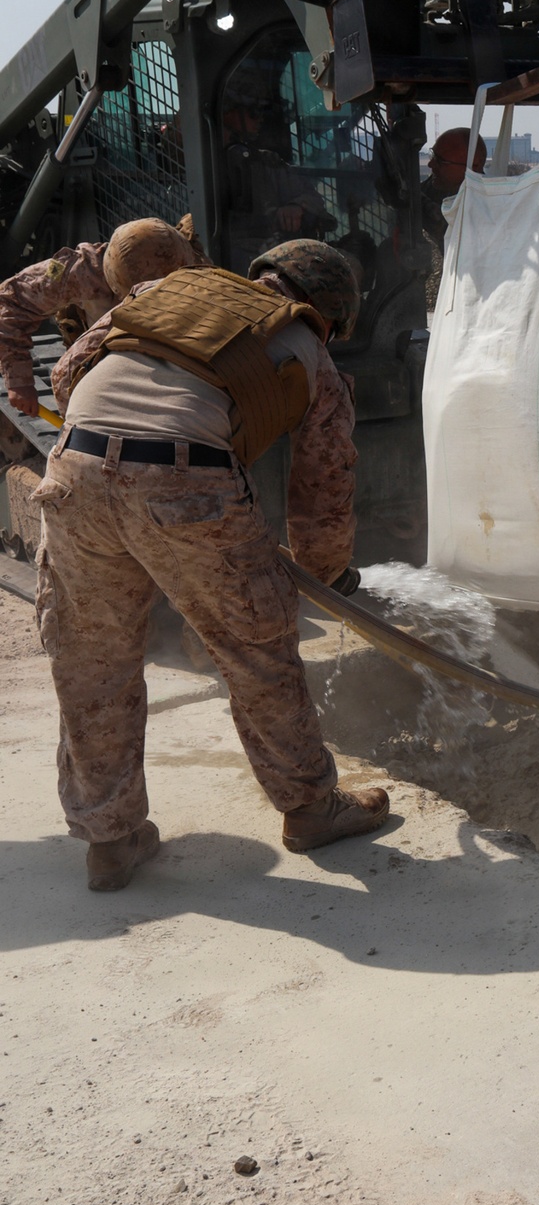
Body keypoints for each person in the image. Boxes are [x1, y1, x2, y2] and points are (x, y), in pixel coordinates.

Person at [33, 239, 388, 893]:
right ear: (329, 311)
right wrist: (324, 571)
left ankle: (110, 838)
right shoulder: (307, 346)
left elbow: (66, 376)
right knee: (256, 649)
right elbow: (325, 483)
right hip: (184, 482)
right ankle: (311, 808)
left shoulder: (163, 291)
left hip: (74, 471)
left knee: (92, 660)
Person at [0, 217, 202, 416]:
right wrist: (19, 382)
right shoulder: (84, 269)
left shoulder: (199, 275)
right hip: (112, 351)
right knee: (72, 375)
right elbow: (12, 301)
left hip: (177, 355)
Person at [222, 69, 328, 273]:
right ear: (228, 110)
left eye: (263, 112)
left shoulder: (265, 163)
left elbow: (314, 199)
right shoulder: (189, 160)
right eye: (254, 111)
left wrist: (296, 206)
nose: (260, 118)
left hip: (264, 259)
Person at [421, 127, 487, 252]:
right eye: (432, 156)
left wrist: (413, 200)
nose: (431, 165)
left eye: (441, 161)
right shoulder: (434, 186)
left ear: (474, 165)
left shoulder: (486, 203)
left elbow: (449, 229)